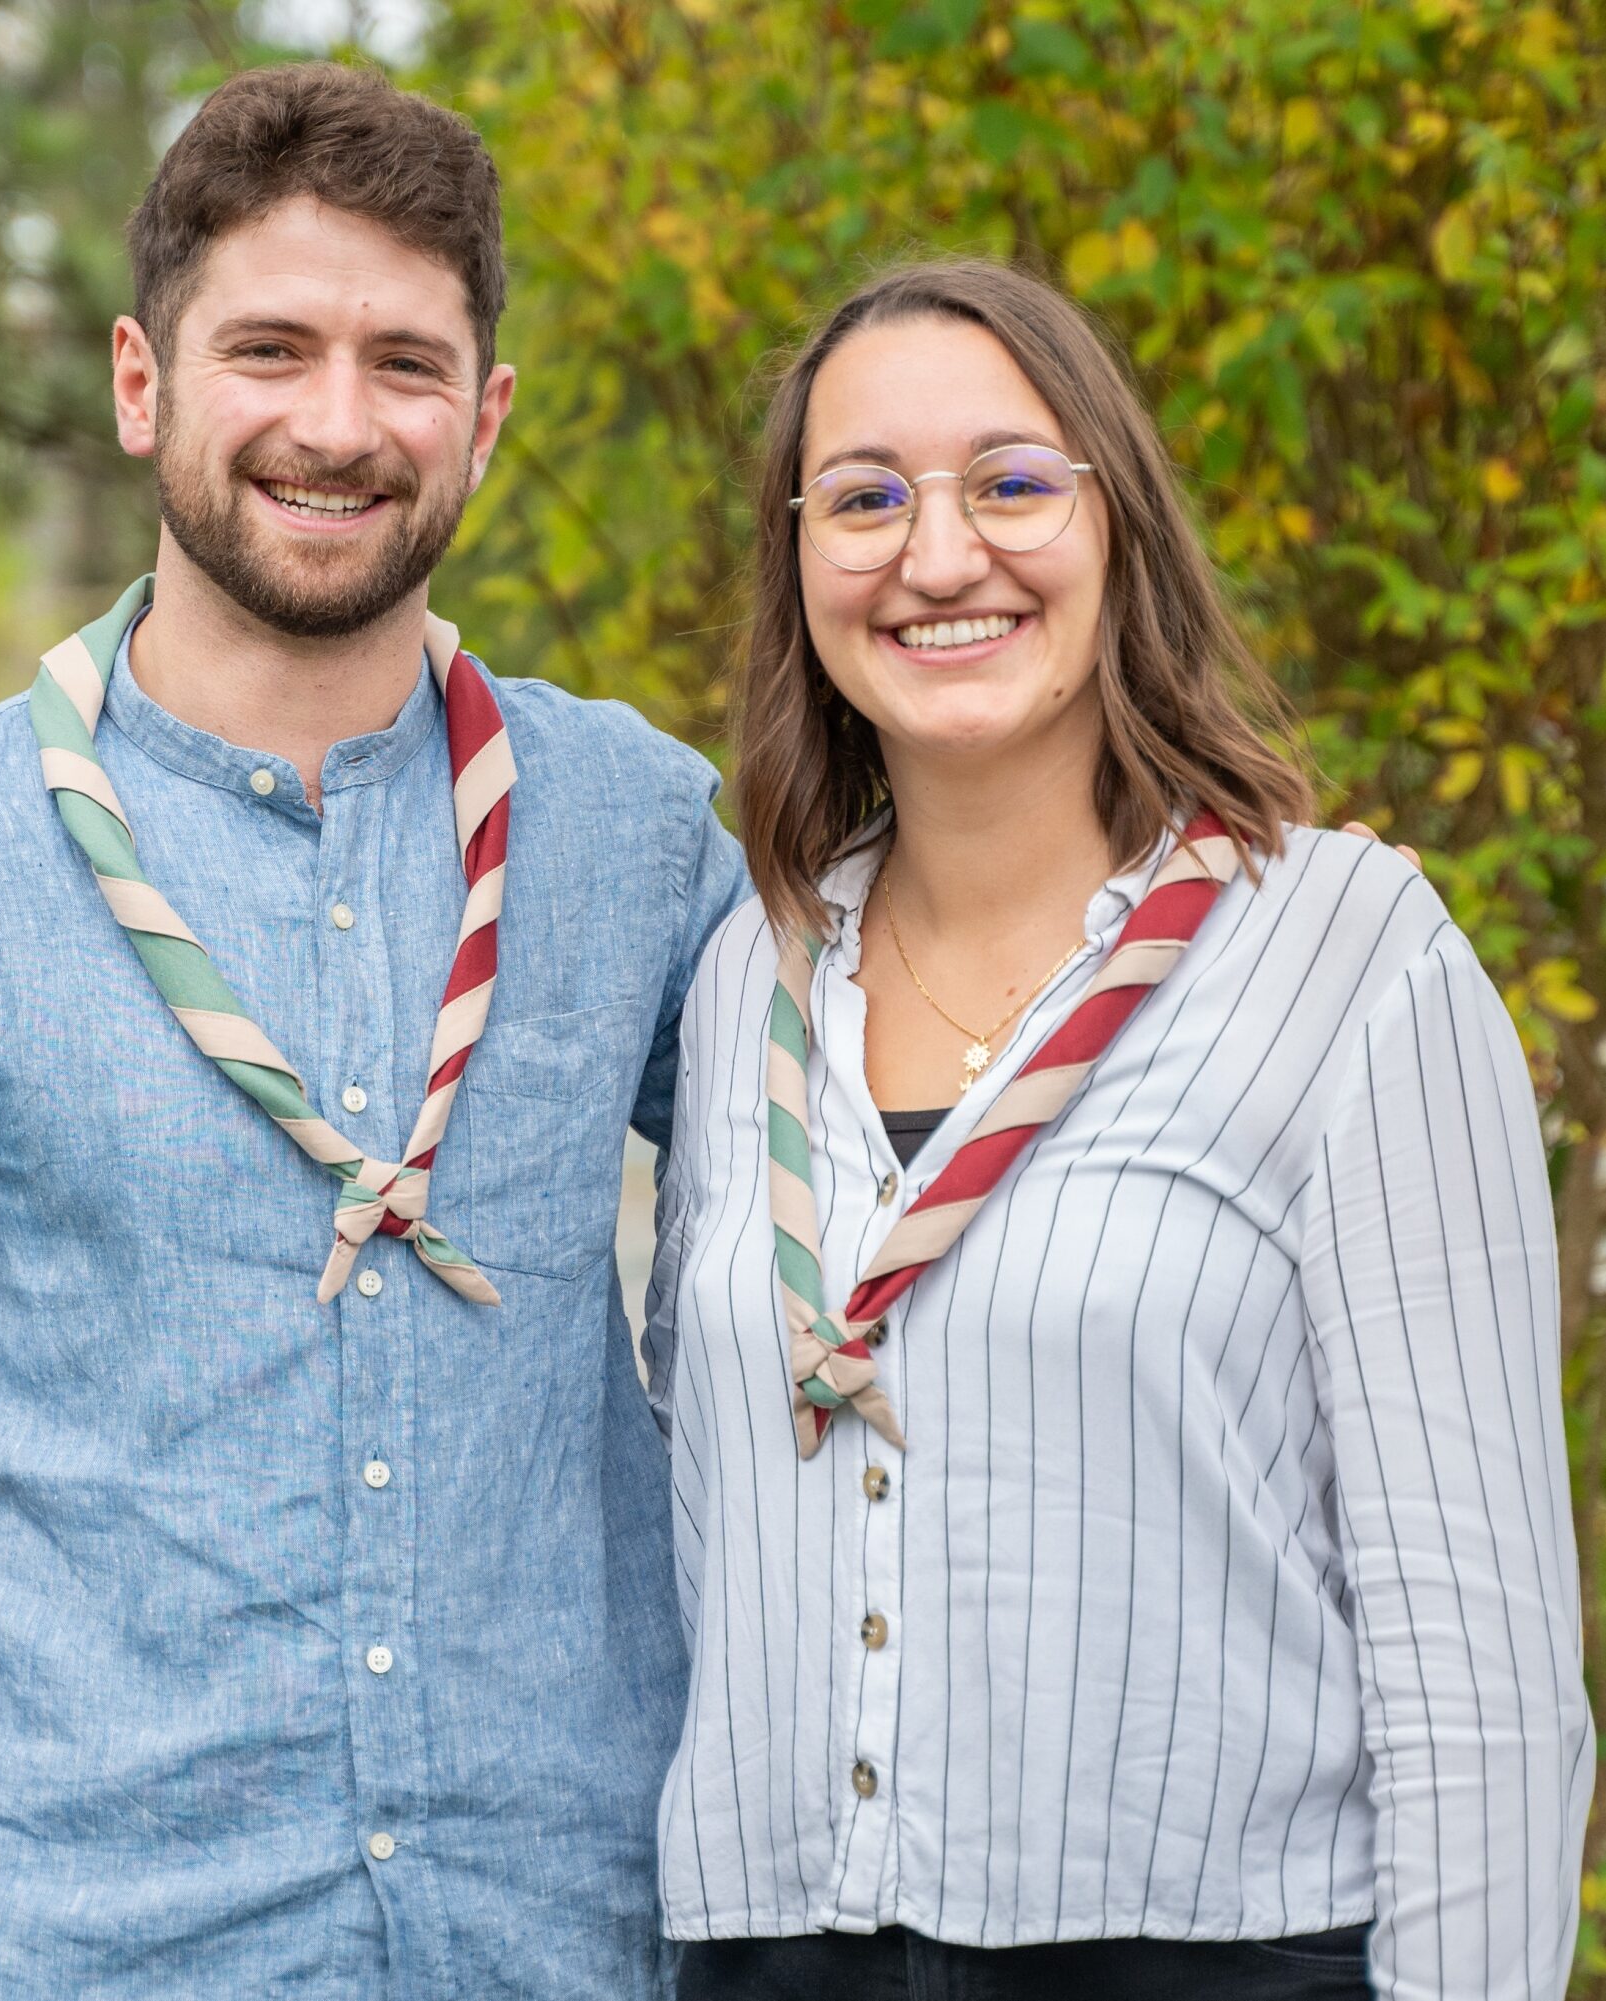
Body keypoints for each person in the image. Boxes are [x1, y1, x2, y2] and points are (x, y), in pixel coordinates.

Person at [0, 64, 747, 2001]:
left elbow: (837, 1228)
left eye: (404, 361)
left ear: (481, 416)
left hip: (573, 1947)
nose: (336, 422)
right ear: (144, 384)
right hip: (74, 1956)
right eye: (270, 348)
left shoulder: (639, 831)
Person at [641, 258, 1592, 2001]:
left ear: (1117, 520)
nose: (936, 556)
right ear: (796, 563)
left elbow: (1477, 1669)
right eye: (862, 499)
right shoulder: (739, 988)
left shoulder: (1347, 957)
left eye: (1009, 481)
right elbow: (702, 1535)